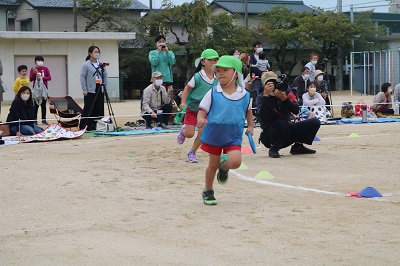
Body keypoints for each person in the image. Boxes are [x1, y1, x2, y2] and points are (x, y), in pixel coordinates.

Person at [197, 55, 254, 205]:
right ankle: (208, 190)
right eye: (218, 70)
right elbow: (202, 110)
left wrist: (251, 126)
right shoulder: (213, 92)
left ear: (236, 74)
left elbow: (248, 111)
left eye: (225, 70)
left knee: (235, 162)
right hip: (214, 135)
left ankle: (225, 167)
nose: (220, 73)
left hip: (233, 135)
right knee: (212, 165)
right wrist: (200, 119)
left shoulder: (245, 95)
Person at [256, 71, 320, 158]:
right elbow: (263, 116)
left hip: (287, 128)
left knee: (315, 122)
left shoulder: (285, 90)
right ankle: (273, 148)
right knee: (280, 122)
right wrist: (266, 96)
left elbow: (296, 110)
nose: (273, 86)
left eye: (274, 82)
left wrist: (284, 99)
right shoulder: (261, 97)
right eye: (269, 84)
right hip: (270, 134)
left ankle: (298, 146)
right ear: (263, 86)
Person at [177, 49, 219, 163]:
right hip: (193, 109)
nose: (213, 62)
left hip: (206, 111)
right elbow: (187, 89)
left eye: (215, 60)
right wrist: (183, 102)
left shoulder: (218, 77)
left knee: (202, 133)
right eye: (210, 60)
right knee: (190, 134)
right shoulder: (197, 76)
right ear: (203, 62)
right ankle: (183, 132)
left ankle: (192, 152)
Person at [79, 45, 108, 130]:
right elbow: (82, 77)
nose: (97, 53)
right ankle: (84, 126)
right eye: (95, 52)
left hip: (100, 87)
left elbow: (105, 76)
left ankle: (97, 126)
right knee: (88, 108)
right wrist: (84, 89)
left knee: (99, 107)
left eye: (98, 52)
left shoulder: (101, 64)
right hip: (90, 89)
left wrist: (105, 88)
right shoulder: (86, 65)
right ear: (90, 54)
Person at [30, 55, 52, 125]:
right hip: (36, 87)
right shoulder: (33, 69)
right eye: (38, 60)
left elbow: (49, 78)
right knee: (35, 104)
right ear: (35, 62)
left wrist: (42, 77)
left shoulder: (46, 69)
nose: (40, 62)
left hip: (44, 87)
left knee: (43, 104)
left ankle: (44, 119)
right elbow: (31, 79)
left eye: (41, 61)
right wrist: (34, 73)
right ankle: (34, 120)